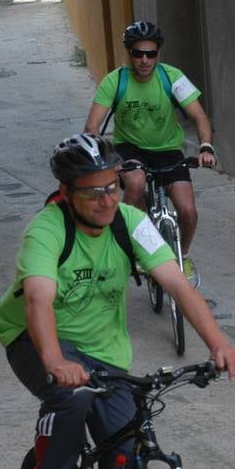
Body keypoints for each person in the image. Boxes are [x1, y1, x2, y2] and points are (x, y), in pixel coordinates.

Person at [0, 133, 235, 469]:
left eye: (113, 187)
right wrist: (54, 362)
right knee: (74, 394)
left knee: (127, 453)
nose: (107, 199)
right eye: (93, 191)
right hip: (35, 340)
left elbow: (176, 282)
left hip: (105, 352)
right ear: (67, 193)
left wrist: (219, 343)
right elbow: (39, 300)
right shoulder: (47, 231)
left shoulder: (130, 222)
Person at [84, 21, 216, 286]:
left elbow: (199, 115)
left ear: (159, 54)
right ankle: (132, 242)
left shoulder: (172, 77)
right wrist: (107, 160)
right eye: (138, 54)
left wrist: (205, 146)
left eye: (150, 54)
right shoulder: (116, 81)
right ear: (129, 54)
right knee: (135, 183)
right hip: (129, 149)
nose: (144, 60)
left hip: (167, 149)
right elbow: (92, 127)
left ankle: (184, 255)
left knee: (188, 211)